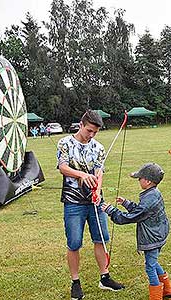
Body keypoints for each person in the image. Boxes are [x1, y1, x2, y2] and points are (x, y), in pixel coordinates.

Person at [56, 110, 124, 300]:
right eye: (89, 131)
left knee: (101, 239)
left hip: (95, 202)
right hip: (73, 202)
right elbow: (63, 167)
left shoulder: (98, 148)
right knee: (74, 242)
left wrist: (97, 190)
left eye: (95, 132)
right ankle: (75, 282)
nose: (91, 135)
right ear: (81, 125)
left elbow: (99, 172)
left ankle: (105, 277)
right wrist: (82, 175)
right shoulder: (65, 143)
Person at [101, 163, 171, 300]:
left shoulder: (149, 199)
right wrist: (126, 203)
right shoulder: (152, 193)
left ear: (147, 181)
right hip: (159, 233)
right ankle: (168, 290)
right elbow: (141, 211)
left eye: (139, 178)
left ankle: (156, 296)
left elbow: (132, 217)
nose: (138, 180)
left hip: (153, 237)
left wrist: (111, 211)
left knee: (150, 266)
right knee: (153, 262)